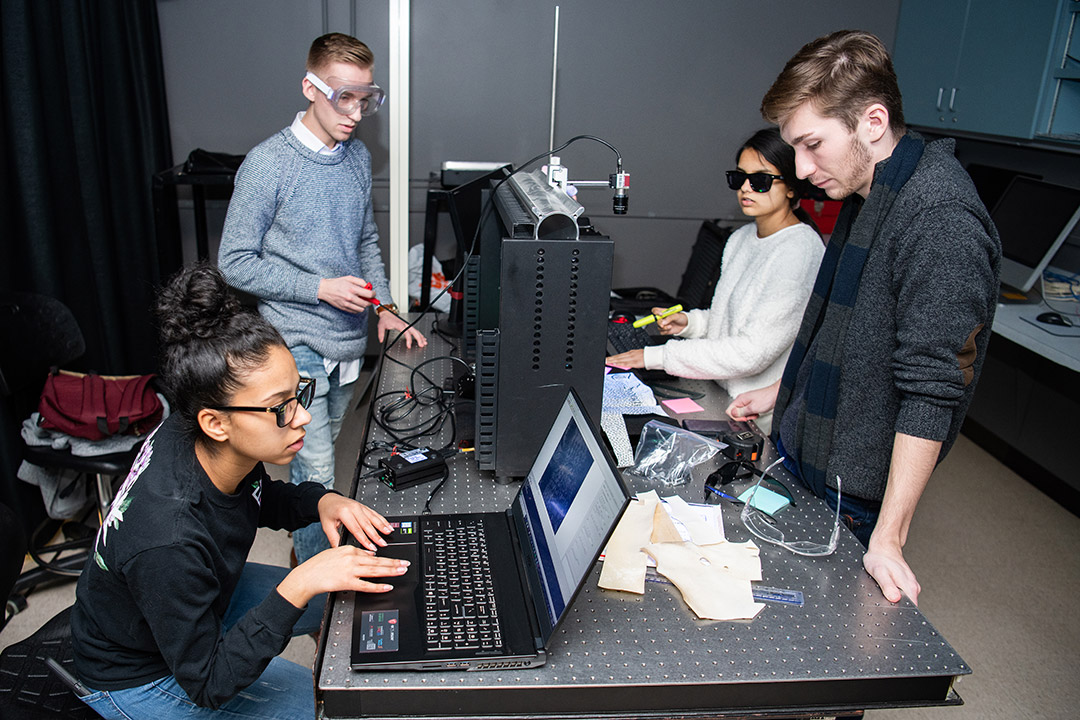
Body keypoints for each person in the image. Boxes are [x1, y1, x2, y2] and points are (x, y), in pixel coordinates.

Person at [725, 30, 1000, 606]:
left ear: (872, 123)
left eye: (811, 144)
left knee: (819, 651)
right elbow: (847, 334)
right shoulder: (867, 192)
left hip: (854, 491)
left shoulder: (940, 218)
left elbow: (931, 389)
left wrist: (890, 538)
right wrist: (784, 389)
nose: (799, 169)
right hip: (804, 455)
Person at [70, 263, 409, 719]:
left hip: (194, 598)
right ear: (217, 422)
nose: (303, 418)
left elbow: (252, 498)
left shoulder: (201, 438)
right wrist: (299, 581)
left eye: (298, 394)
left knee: (346, 596)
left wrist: (321, 500)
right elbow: (208, 683)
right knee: (322, 704)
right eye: (279, 408)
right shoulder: (167, 540)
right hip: (137, 672)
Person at [218, 33, 426, 564]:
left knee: (334, 454)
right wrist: (318, 287)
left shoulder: (355, 159)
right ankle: (317, 596)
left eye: (366, 98)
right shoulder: (268, 164)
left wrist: (384, 308)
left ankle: (307, 560)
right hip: (296, 344)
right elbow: (234, 262)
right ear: (310, 87)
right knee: (319, 476)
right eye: (344, 97)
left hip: (348, 341)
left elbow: (365, 244)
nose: (356, 112)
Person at [606, 128, 824, 435]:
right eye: (739, 178)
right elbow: (729, 317)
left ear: (791, 187)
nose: (746, 189)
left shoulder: (800, 251)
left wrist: (654, 356)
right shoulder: (741, 238)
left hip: (751, 413)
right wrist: (689, 324)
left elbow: (750, 352)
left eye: (760, 180)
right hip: (717, 389)